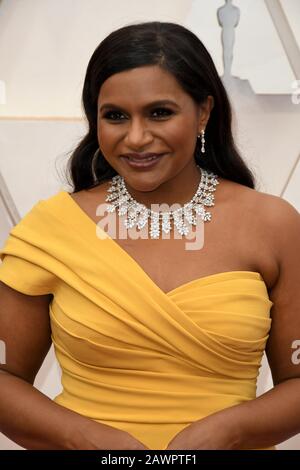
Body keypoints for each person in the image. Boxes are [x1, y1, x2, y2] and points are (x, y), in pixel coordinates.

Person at [0, 21, 299, 451]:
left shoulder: (274, 225)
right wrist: (89, 440)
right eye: (115, 116)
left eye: (160, 112)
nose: (136, 138)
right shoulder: (54, 227)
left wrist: (228, 431)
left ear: (204, 112)